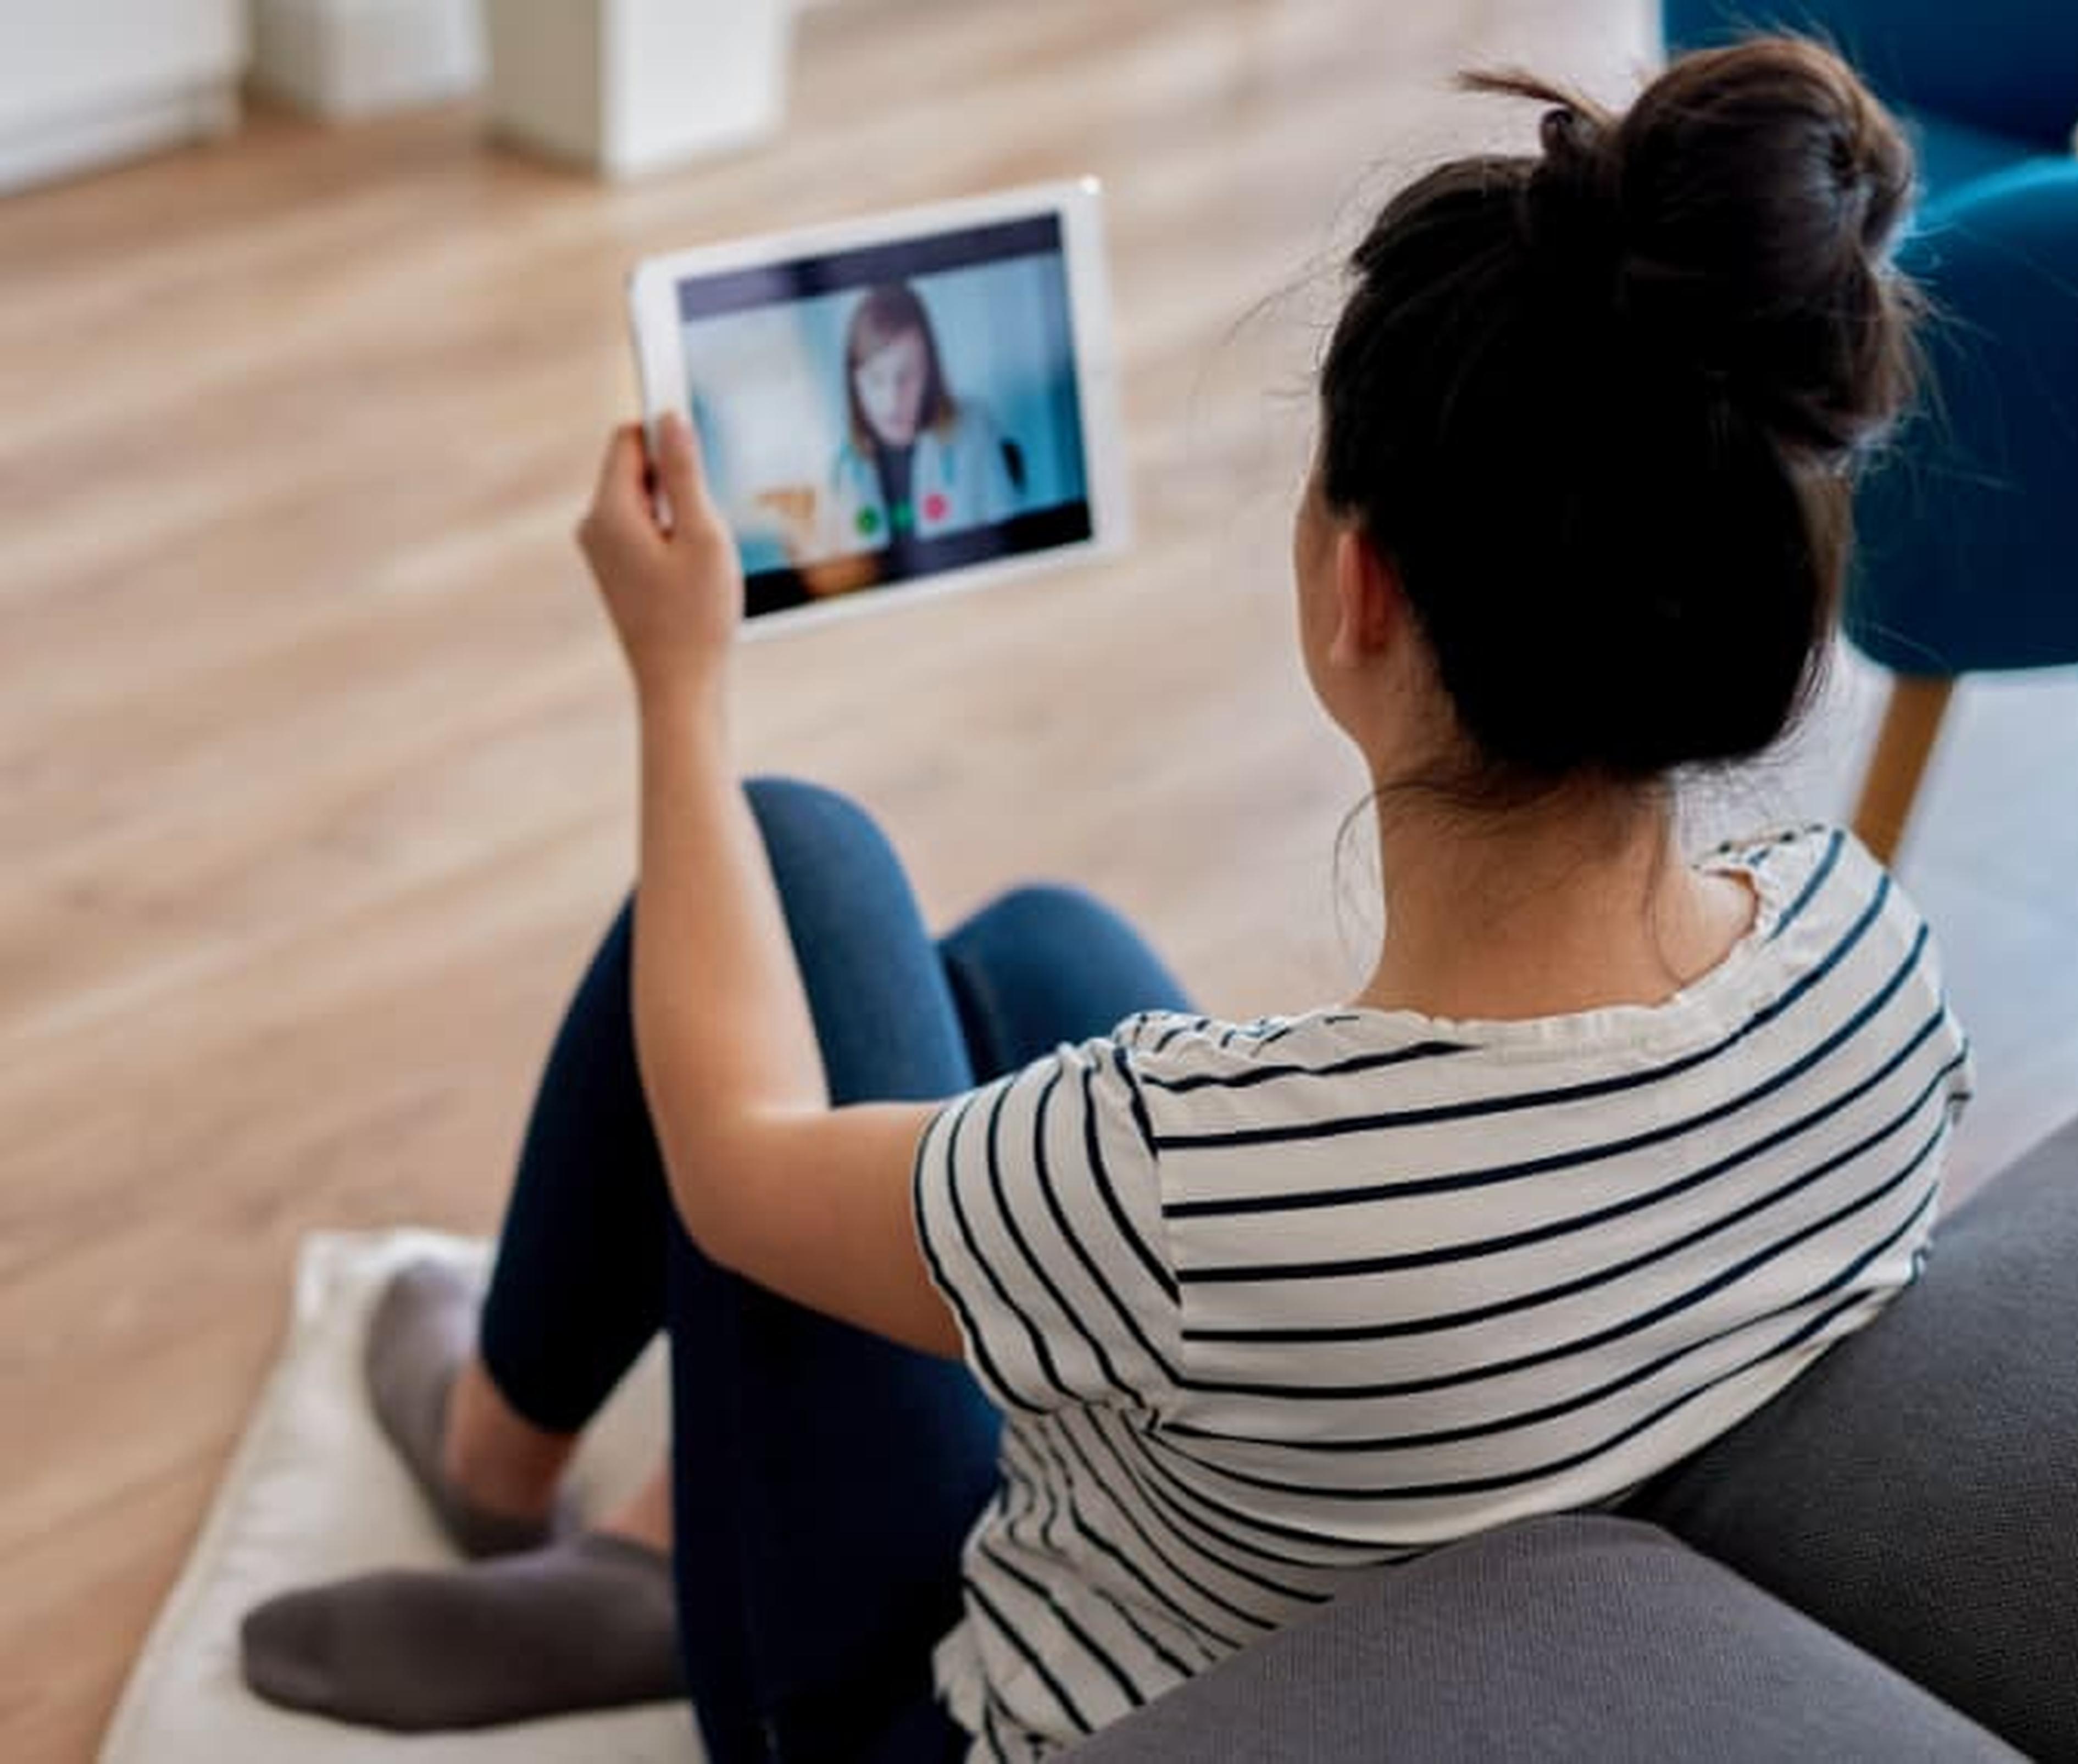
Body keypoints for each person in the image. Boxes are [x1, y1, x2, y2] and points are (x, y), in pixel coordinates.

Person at [238, 35, 1971, 1764]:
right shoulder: (1872, 963)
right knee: (1035, 950)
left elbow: (736, 1161)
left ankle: (500, 1469)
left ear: (1355, 583)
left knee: (781, 849)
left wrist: (677, 684)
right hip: (1384, 1591)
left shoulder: (1198, 1177)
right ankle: (647, 1528)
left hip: (955, 1716)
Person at [813, 281, 1020, 573]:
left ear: (930, 372)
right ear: (854, 384)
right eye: (875, 379)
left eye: (907, 376)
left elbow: (1014, 551)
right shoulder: (841, 471)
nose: (892, 400)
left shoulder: (975, 429)